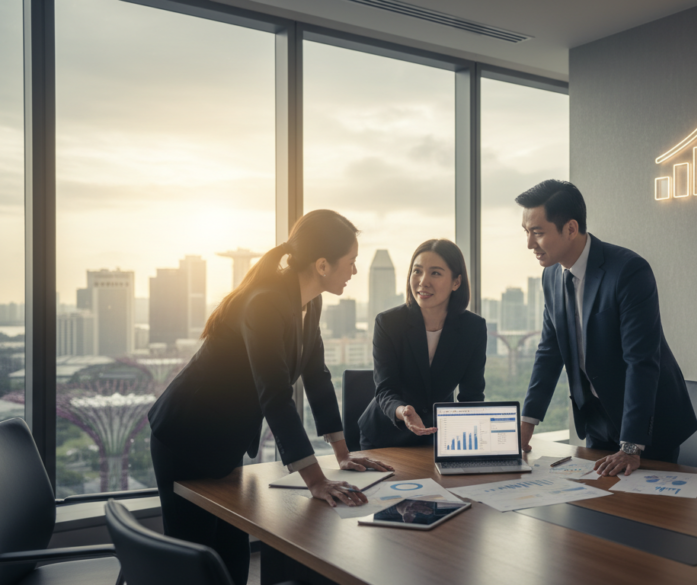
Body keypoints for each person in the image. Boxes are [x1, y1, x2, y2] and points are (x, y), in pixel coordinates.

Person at [148, 210, 393, 585]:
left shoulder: (310, 302)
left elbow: (317, 375)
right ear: (323, 264)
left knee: (231, 556)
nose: (355, 272)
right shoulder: (264, 303)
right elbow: (275, 396)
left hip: (223, 441)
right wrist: (315, 480)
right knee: (196, 565)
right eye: (351, 262)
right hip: (185, 438)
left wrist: (342, 454)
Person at [516, 180, 697, 477]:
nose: (529, 244)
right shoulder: (551, 276)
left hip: (648, 425)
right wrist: (526, 425)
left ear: (571, 229)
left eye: (537, 233)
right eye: (526, 232)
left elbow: (640, 361)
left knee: (649, 516)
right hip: (598, 421)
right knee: (596, 509)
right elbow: (550, 352)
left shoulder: (628, 271)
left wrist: (630, 447)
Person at [358, 239, 487, 449]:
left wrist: (475, 443)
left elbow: (471, 396)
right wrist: (404, 412)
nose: (423, 281)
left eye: (435, 273)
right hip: (386, 436)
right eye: (417, 271)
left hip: (439, 436)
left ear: (456, 282)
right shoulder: (389, 323)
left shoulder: (473, 328)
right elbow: (386, 389)